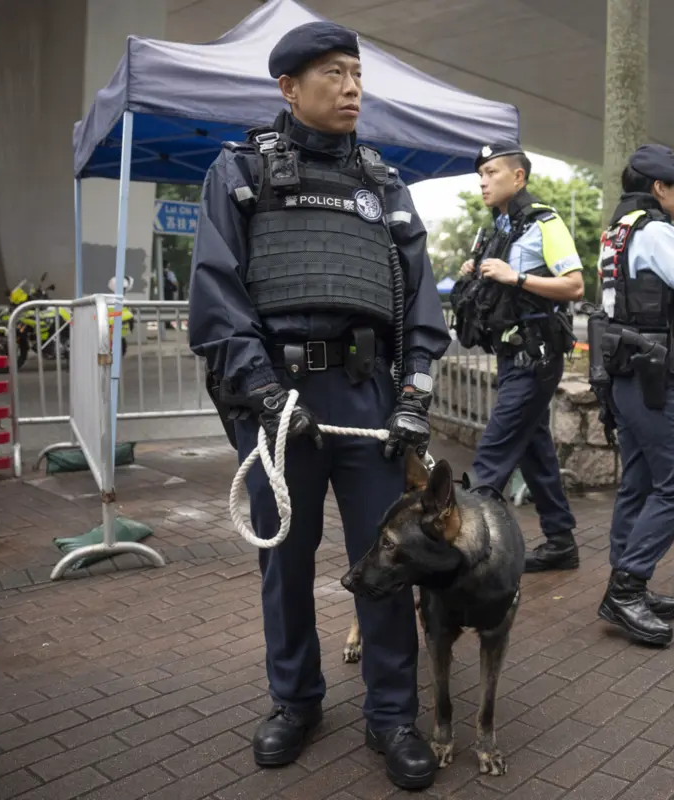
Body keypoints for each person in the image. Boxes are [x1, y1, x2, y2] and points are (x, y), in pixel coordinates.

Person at [188, 21, 450, 789]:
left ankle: (392, 715)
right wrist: (264, 391)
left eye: (357, 74)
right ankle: (296, 701)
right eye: (333, 73)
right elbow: (216, 294)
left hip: (367, 396)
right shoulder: (240, 173)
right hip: (277, 397)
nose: (352, 88)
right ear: (289, 87)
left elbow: (420, 303)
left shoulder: (384, 182)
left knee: (388, 557)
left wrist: (413, 395)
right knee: (285, 560)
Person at [592, 144, 674, 646]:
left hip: (623, 373)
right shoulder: (657, 231)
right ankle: (626, 588)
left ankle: (626, 580)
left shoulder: (617, 232)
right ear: (658, 188)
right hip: (650, 376)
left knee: (640, 482)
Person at [454, 143, 584, 573]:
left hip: (537, 355)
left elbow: (574, 285)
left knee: (491, 456)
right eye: (481, 174)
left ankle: (467, 554)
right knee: (534, 450)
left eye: (492, 172)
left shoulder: (546, 222)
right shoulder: (500, 229)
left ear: (518, 177)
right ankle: (561, 540)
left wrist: (517, 276)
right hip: (512, 356)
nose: (483, 181)